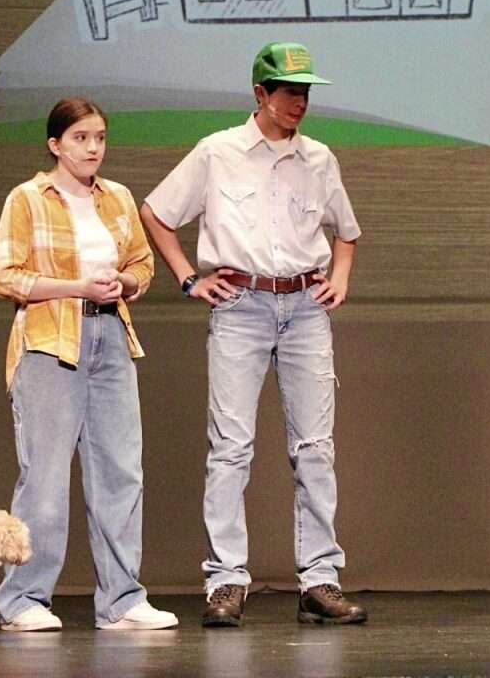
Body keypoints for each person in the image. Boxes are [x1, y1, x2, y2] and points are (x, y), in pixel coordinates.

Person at [140, 42, 368, 628]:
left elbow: (346, 231)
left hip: (304, 307)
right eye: (290, 91)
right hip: (240, 305)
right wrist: (190, 279)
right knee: (230, 449)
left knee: (315, 448)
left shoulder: (320, 159)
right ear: (260, 94)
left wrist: (339, 278)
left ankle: (319, 579)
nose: (301, 102)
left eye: (306, 92)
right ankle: (225, 581)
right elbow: (157, 213)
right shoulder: (217, 153)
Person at [0, 97, 178, 632]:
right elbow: (6, 276)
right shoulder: (28, 198)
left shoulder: (117, 198)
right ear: (55, 144)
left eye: (99, 137)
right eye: (80, 138)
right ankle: (25, 598)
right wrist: (75, 286)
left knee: (120, 471)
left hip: (111, 335)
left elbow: (142, 263)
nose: (92, 148)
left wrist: (128, 283)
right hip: (52, 339)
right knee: (44, 475)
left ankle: (122, 599)